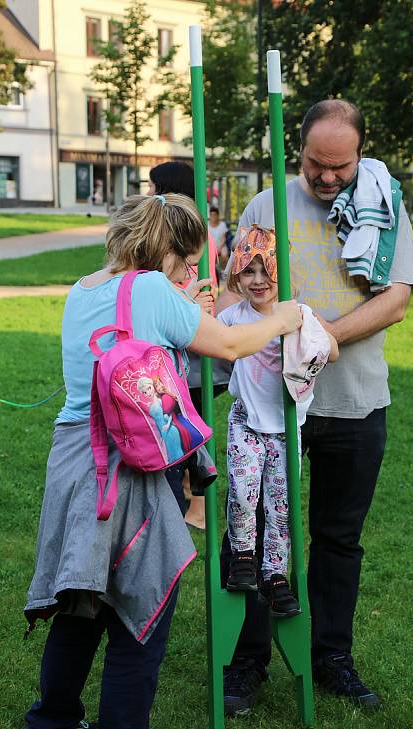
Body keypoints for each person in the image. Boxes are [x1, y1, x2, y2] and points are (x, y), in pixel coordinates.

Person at [22, 192, 302, 729]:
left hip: (75, 461)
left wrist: (182, 305)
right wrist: (287, 318)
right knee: (140, 612)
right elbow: (228, 346)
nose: (192, 274)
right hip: (133, 468)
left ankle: (50, 724)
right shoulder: (151, 291)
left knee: (83, 598)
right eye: (189, 262)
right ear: (169, 251)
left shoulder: (82, 289)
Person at [221, 99, 413, 717]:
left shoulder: (383, 205)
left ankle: (332, 657)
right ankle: (246, 664)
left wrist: (322, 336)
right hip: (271, 409)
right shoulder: (265, 205)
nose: (328, 177)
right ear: (297, 150)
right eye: (316, 164)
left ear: (361, 152)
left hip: (353, 403)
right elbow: (236, 287)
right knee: (252, 531)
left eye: (341, 165)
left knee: (338, 538)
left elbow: (395, 300)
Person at [219, 225, 338, 617]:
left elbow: (333, 351)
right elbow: (212, 342)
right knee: (242, 491)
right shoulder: (234, 317)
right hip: (247, 423)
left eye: (266, 270)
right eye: (248, 271)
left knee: (281, 507)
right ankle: (243, 558)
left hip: (287, 430)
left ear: (282, 272)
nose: (258, 280)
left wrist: (310, 336)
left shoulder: (298, 314)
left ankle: (275, 575)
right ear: (237, 273)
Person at [147, 161, 230, 527]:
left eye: (153, 188)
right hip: (186, 338)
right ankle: (189, 502)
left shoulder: (188, 236)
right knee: (186, 426)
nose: (148, 195)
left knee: (186, 430)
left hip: (185, 346)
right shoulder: (197, 233)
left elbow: (194, 284)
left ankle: (196, 508)